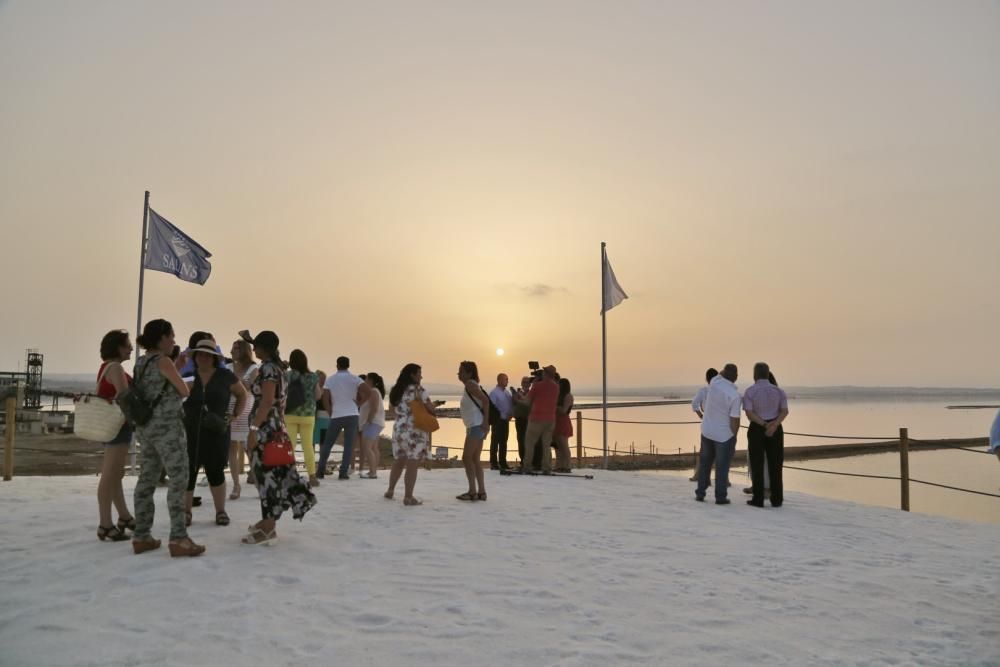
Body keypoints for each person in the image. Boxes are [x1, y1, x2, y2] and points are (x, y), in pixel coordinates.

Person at [131, 319, 205, 557]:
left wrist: (176, 364)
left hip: (146, 428)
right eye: (171, 336)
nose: (173, 340)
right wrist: (182, 374)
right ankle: (179, 538)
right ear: (161, 337)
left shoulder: (141, 362)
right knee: (178, 479)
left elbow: (155, 386)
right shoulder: (163, 361)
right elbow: (183, 390)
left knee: (147, 479)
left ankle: (141, 535)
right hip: (168, 428)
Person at [241, 330, 317, 544]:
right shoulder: (277, 368)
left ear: (264, 348)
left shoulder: (268, 369)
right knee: (271, 476)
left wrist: (254, 430)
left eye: (256, 346)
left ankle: (269, 527)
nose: (253, 349)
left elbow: (266, 401)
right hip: (274, 426)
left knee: (266, 478)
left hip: (266, 429)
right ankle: (268, 522)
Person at [183, 339, 247, 527]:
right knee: (188, 473)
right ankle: (186, 512)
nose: (203, 357)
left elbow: (242, 394)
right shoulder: (188, 374)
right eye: (199, 354)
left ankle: (220, 511)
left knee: (216, 471)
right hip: (190, 430)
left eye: (207, 354)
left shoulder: (225, 375)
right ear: (195, 356)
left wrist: (234, 415)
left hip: (217, 431)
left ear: (213, 357)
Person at [94, 329, 136, 542]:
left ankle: (124, 517)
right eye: (127, 344)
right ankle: (105, 524)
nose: (130, 348)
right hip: (118, 427)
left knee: (115, 475)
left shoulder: (105, 367)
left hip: (111, 426)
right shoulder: (116, 367)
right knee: (110, 475)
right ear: (117, 347)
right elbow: (124, 396)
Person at [384, 363, 435, 506]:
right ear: (412, 375)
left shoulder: (397, 390)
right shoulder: (419, 390)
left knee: (399, 460)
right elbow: (430, 408)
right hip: (415, 430)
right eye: (419, 373)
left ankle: (390, 490)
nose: (421, 376)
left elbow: (392, 410)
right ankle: (408, 497)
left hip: (399, 429)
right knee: (412, 463)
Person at [318, 356, 371, 480]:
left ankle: (320, 471)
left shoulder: (330, 380)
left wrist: (330, 412)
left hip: (337, 414)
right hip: (352, 414)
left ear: (337, 365)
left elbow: (325, 399)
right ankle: (343, 473)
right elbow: (368, 392)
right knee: (348, 445)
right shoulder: (355, 379)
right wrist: (359, 404)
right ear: (348, 365)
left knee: (327, 444)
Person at [743, 363, 788, 508]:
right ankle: (777, 499)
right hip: (776, 429)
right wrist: (774, 424)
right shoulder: (779, 391)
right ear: (768, 374)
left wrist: (764, 424)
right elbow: (784, 411)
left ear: (754, 374)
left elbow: (749, 414)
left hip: (757, 428)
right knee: (776, 464)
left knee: (757, 464)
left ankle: (758, 499)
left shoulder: (750, 391)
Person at [695, 363, 741, 505]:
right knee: (722, 467)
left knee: (704, 464)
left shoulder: (714, 382)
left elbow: (721, 373)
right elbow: (735, 421)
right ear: (736, 377)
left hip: (707, 431)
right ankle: (720, 497)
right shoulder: (735, 395)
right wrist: (734, 436)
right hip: (723, 436)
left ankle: (700, 493)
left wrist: (725, 371)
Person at [284, 349, 323, 487]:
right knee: (308, 446)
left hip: (290, 414)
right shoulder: (312, 377)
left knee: (290, 447)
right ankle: (312, 477)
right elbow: (318, 396)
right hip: (307, 416)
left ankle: (289, 476)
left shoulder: (287, 375)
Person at [227, 338, 258, 498]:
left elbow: (249, 387)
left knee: (250, 448)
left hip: (247, 411)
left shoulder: (253, 367)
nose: (232, 351)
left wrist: (233, 383)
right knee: (232, 448)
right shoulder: (227, 367)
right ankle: (236, 485)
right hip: (230, 410)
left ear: (244, 351)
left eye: (236, 348)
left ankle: (259, 483)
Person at [457, 361, 490, 501]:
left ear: (469, 373)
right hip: (476, 425)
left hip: (476, 425)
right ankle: (481, 491)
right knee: (475, 459)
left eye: (461, 371)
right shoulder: (471, 385)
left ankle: (472, 491)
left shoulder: (470, 384)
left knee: (467, 458)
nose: (458, 373)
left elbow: (486, 401)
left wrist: (486, 422)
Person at [521, 365, 560, 474]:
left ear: (545, 374)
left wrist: (520, 398)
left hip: (536, 419)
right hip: (550, 419)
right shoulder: (556, 387)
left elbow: (527, 401)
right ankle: (546, 468)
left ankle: (527, 466)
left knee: (529, 443)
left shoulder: (537, 386)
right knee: (546, 445)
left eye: (543, 372)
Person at [690, 368, 719, 482]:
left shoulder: (704, 390)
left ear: (707, 379)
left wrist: (700, 415)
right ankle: (723, 479)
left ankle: (699, 475)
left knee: (705, 450)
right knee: (721, 451)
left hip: (708, 424)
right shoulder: (723, 391)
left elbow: (694, 403)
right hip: (721, 424)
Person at [359, 372, 386, 479]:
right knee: (374, 448)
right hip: (376, 422)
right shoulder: (374, 391)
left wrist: (368, 421)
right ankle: (373, 471)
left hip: (373, 422)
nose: (364, 381)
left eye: (366, 379)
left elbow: (374, 408)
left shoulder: (373, 392)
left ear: (370, 380)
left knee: (367, 448)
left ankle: (373, 472)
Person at [488, 373, 514, 471]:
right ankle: (494, 463)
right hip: (497, 421)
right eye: (505, 379)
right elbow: (492, 407)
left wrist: (511, 414)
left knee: (504, 442)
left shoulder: (507, 392)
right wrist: (499, 416)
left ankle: (503, 462)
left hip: (506, 421)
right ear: (499, 380)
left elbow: (510, 405)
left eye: (507, 379)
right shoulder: (494, 393)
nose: (507, 381)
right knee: (495, 442)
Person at [554, 377, 575, 473]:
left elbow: (564, 410)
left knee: (564, 445)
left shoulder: (568, 396)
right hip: (556, 421)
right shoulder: (558, 395)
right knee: (557, 446)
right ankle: (559, 465)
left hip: (563, 421)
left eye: (559, 384)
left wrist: (555, 407)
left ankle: (567, 466)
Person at [512, 376, 533, 467]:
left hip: (529, 420)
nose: (525, 384)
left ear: (530, 384)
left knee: (529, 441)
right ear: (521, 383)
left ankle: (529, 461)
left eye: (527, 382)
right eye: (524, 382)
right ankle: (522, 461)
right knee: (520, 440)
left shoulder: (532, 393)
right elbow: (513, 404)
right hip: (519, 420)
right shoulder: (517, 393)